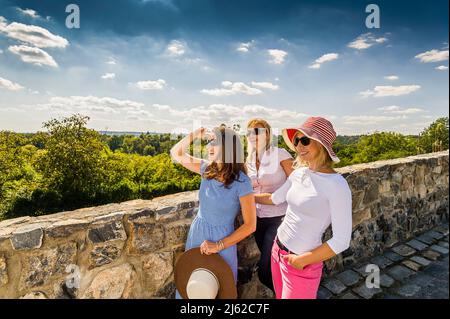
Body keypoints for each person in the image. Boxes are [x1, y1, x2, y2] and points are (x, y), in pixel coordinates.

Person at [254, 116, 352, 299]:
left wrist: (302, 260)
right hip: (278, 249)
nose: (299, 146)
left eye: (305, 140)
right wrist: (246, 198)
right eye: (296, 140)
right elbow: (275, 198)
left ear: (321, 144)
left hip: (302, 261)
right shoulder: (299, 174)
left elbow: (341, 240)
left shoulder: (337, 185)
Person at [170, 125, 257, 299]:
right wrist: (197, 133)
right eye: (209, 143)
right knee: (191, 290)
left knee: (219, 292)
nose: (209, 147)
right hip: (197, 236)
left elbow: (250, 225)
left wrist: (218, 246)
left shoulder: (242, 182)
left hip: (222, 242)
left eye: (214, 143)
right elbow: (176, 152)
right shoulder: (206, 169)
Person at [245, 118, 294, 292]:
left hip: (280, 218)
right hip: (258, 220)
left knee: (265, 271)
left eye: (258, 131)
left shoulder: (280, 154)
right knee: (274, 269)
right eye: (250, 132)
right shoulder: (249, 160)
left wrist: (259, 198)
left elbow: (297, 183)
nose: (253, 135)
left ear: (267, 133)